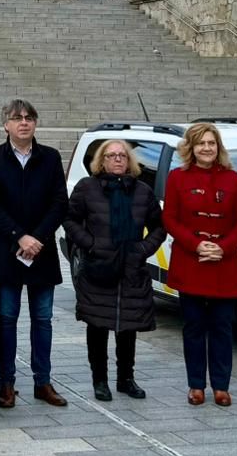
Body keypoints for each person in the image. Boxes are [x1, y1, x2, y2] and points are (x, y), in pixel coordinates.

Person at [0, 99, 69, 408]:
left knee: (42, 320)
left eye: (29, 117)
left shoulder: (50, 157)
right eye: (17, 118)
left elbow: (60, 202)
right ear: (6, 125)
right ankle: (6, 384)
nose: (24, 122)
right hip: (9, 251)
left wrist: (38, 237)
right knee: (7, 319)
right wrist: (20, 236)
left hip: (41, 252)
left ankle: (43, 382)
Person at [63, 139, 165, 402]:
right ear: (102, 161)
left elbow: (159, 227)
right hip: (98, 267)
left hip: (131, 269)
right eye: (111, 155)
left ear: (129, 161)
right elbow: (70, 219)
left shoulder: (142, 191)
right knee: (97, 325)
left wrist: (143, 250)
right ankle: (100, 380)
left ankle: (125, 379)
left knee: (127, 326)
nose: (118, 159)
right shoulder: (87, 188)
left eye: (122, 155)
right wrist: (90, 244)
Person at [163, 122, 237, 406]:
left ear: (218, 147)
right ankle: (196, 385)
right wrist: (197, 244)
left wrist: (222, 249)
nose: (207, 148)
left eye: (211, 143)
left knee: (223, 328)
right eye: (201, 143)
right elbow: (171, 219)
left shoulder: (232, 178)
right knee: (194, 327)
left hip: (224, 266)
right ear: (191, 147)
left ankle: (221, 386)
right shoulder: (177, 177)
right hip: (191, 262)